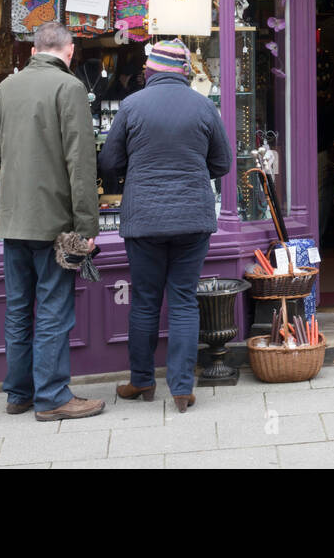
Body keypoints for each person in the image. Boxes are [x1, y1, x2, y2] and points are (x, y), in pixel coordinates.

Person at [99, 39, 232, 412]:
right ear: (184, 72)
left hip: (145, 220)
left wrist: (138, 172)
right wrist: (190, 171)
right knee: (184, 301)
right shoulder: (204, 106)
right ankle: (181, 388)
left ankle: (142, 381)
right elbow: (222, 164)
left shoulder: (132, 105)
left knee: (144, 301)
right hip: (192, 218)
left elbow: (108, 162)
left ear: (151, 70)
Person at [0, 21, 106, 420]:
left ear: (36, 49)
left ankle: (19, 393)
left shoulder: (6, 87)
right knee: (54, 308)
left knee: (19, 309)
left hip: (14, 219)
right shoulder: (69, 87)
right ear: (69, 51)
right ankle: (53, 397)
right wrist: (87, 228)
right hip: (55, 222)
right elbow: (81, 163)